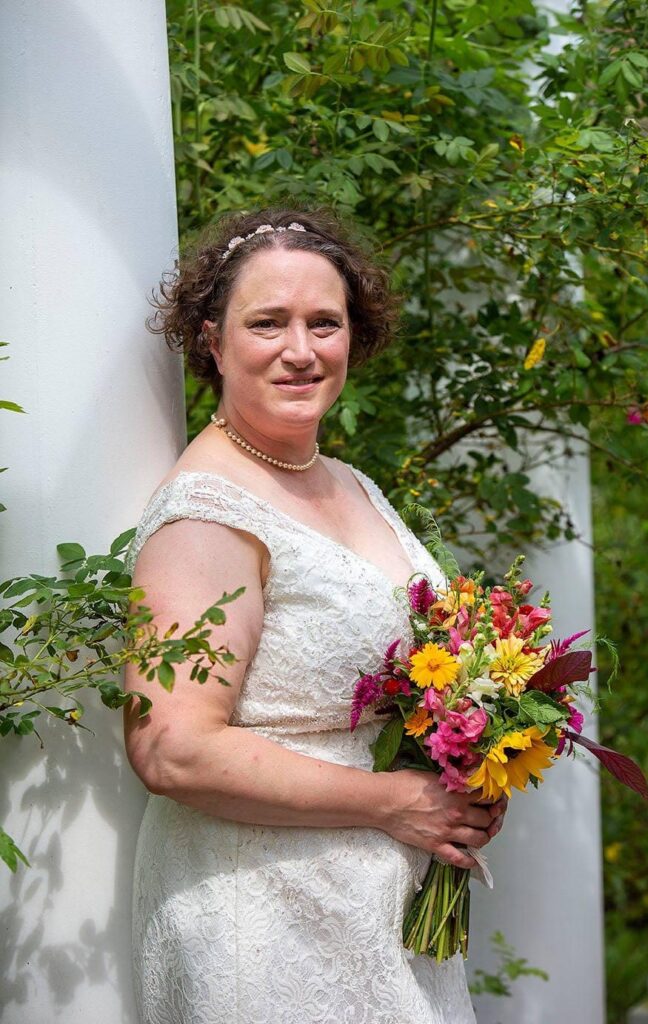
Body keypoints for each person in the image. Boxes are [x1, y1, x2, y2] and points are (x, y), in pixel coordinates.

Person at [123, 205, 507, 1024]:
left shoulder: (348, 481)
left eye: (323, 323)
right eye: (268, 322)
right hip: (260, 917)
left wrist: (469, 764)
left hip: (376, 912)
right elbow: (172, 748)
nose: (301, 351)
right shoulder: (207, 514)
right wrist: (395, 802)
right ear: (211, 339)